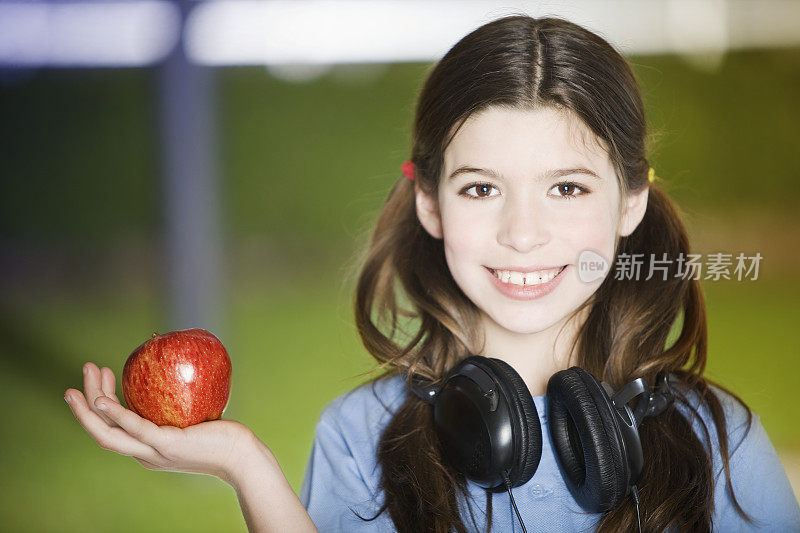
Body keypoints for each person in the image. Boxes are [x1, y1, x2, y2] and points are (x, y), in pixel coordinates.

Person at [64, 14, 800, 533]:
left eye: (567, 187)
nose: (522, 233)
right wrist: (245, 468)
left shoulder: (718, 440)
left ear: (631, 202)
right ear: (431, 202)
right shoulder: (360, 436)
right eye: (482, 187)